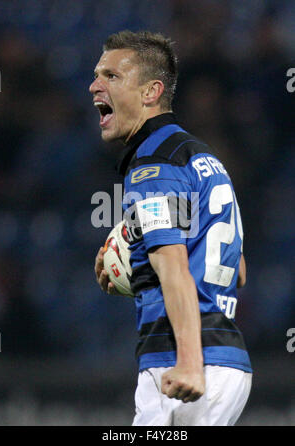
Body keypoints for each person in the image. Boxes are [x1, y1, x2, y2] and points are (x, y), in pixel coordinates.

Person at [91, 30, 252, 426]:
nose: (94, 84)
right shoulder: (197, 155)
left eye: (111, 76)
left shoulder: (154, 166)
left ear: (151, 92)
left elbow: (174, 265)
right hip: (224, 357)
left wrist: (189, 363)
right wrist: (133, 246)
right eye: (97, 74)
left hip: (184, 363)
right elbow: (239, 269)